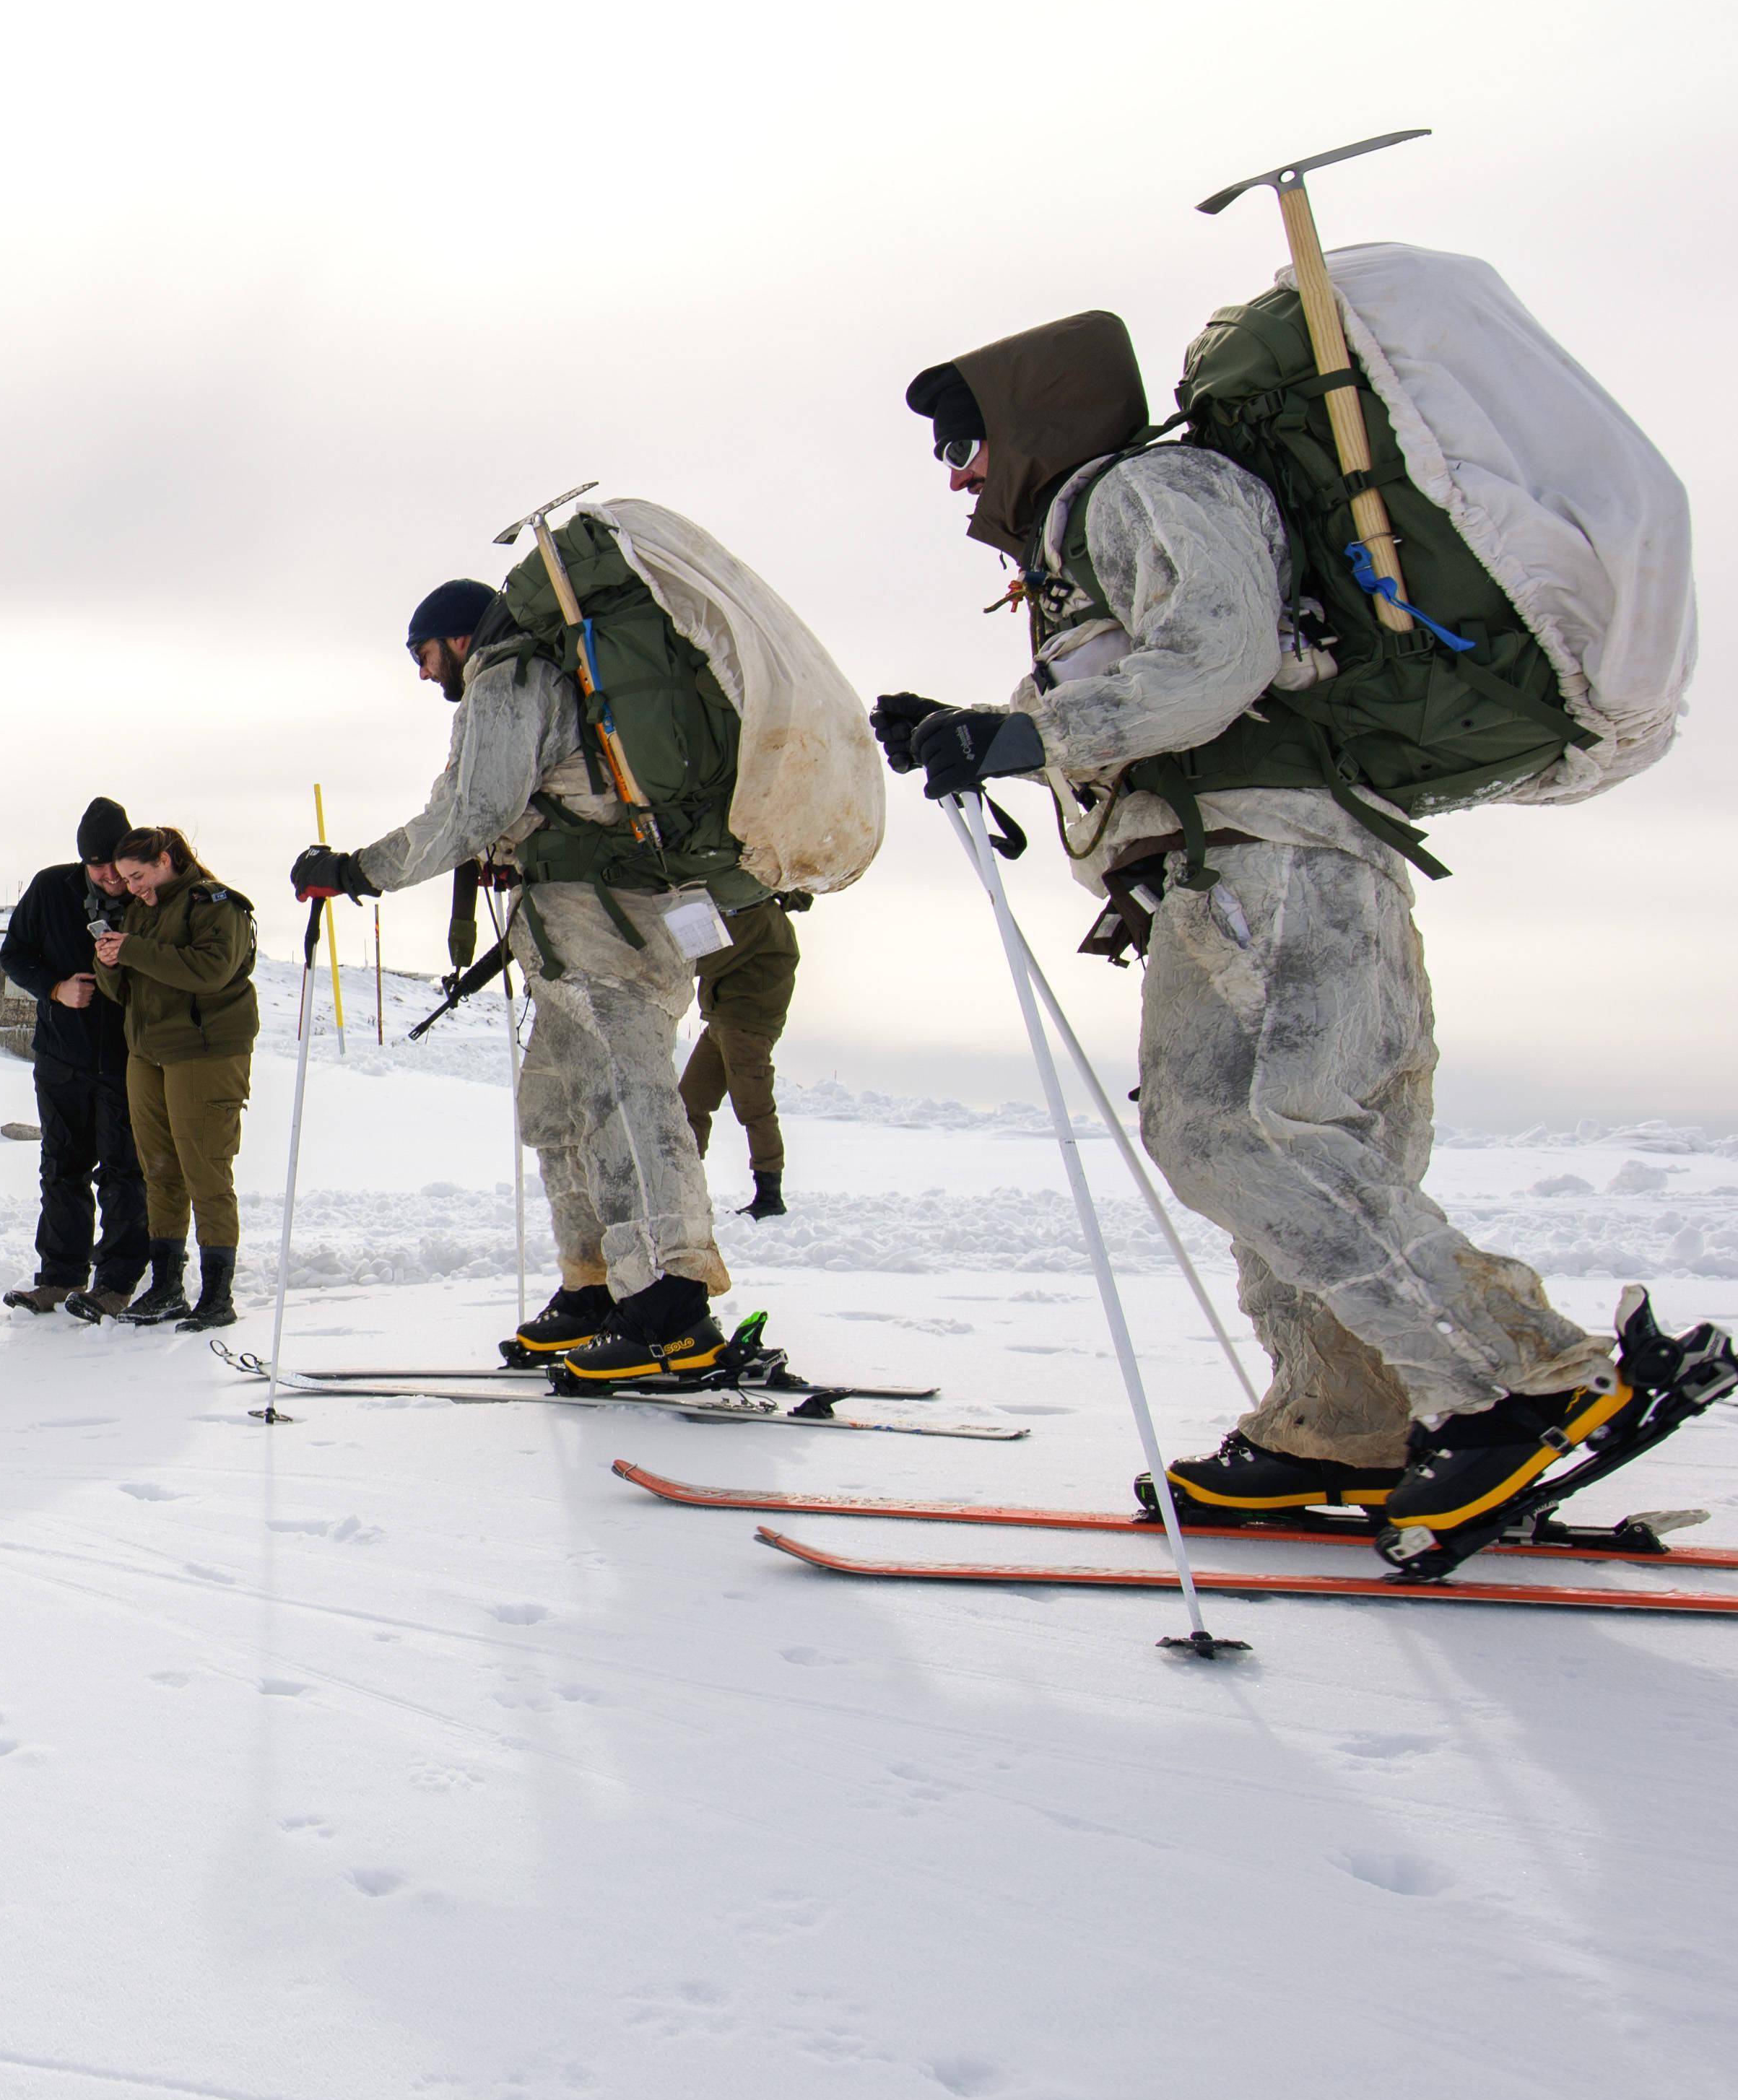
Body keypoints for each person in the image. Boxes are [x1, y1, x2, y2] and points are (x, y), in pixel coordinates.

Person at [877, 315, 1619, 1569]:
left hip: (1265, 857)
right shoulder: (1095, 528)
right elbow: (1169, 666)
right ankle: (1342, 1419)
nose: (957, 471)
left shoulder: (1145, 486)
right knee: (1287, 1145)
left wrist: (1024, 740)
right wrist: (983, 724)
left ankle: (1509, 1382)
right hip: (1252, 861)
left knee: (1237, 1131)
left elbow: (1211, 659)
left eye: (967, 439)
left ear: (1032, 422)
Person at [295, 576, 739, 1381]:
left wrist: (359, 870)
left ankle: (675, 1301)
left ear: (460, 637)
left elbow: (469, 814)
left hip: (614, 925)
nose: (424, 672)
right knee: (559, 1108)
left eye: (422, 652)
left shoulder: (510, 680)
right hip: (574, 929)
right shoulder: (524, 683)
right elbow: (480, 806)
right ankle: (598, 1283)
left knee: (632, 1101)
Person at [87, 826, 256, 1329]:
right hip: (148, 1053)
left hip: (205, 1054)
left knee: (205, 1170)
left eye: (138, 875)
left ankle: (218, 1295)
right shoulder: (144, 908)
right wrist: (111, 962)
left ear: (165, 860)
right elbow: (128, 989)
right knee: (159, 1170)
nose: (132, 887)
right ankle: (166, 1287)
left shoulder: (215, 904)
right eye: (125, 879)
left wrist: (134, 950)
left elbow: (210, 970)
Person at [0, 796, 153, 1317]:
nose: (110, 875)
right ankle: (59, 1277)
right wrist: (56, 988)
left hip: (128, 1060)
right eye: (98, 865)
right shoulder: (50, 888)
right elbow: (14, 954)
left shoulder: (149, 896)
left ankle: (115, 1282)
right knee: (61, 1167)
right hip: (62, 1057)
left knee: (124, 1172)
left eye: (116, 863)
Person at [678, 897, 801, 1218]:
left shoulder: (759, 914)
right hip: (723, 1021)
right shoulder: (755, 910)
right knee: (690, 1103)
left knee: (754, 1109)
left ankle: (769, 1196)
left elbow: (710, 958)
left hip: (744, 1026)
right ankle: (681, 1188)